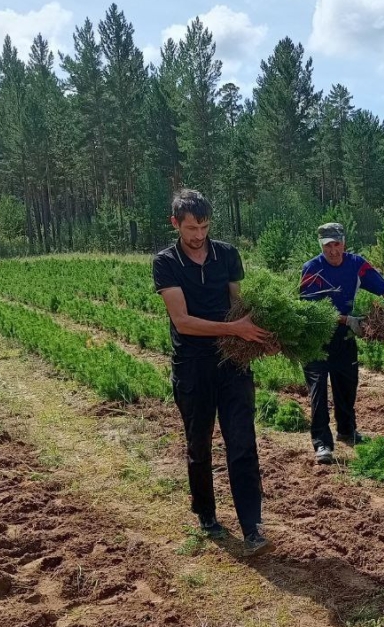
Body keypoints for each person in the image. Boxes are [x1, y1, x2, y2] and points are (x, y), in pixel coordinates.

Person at [152, 189, 274, 557]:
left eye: (204, 227)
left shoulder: (227, 254)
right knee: (199, 445)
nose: (198, 235)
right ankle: (206, 514)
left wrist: (261, 335)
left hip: (232, 364)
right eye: (191, 228)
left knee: (242, 443)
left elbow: (238, 306)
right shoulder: (166, 262)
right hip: (192, 366)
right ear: (175, 224)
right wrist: (235, 330)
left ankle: (252, 527)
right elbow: (183, 321)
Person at [299, 222, 384, 464]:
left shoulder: (356, 265)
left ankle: (347, 430)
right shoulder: (312, 269)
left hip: (344, 339)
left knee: (347, 385)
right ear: (321, 245)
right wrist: (346, 319)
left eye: (337, 244)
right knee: (319, 390)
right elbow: (311, 312)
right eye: (328, 246)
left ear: (344, 242)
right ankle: (322, 443)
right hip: (316, 340)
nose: (333, 250)